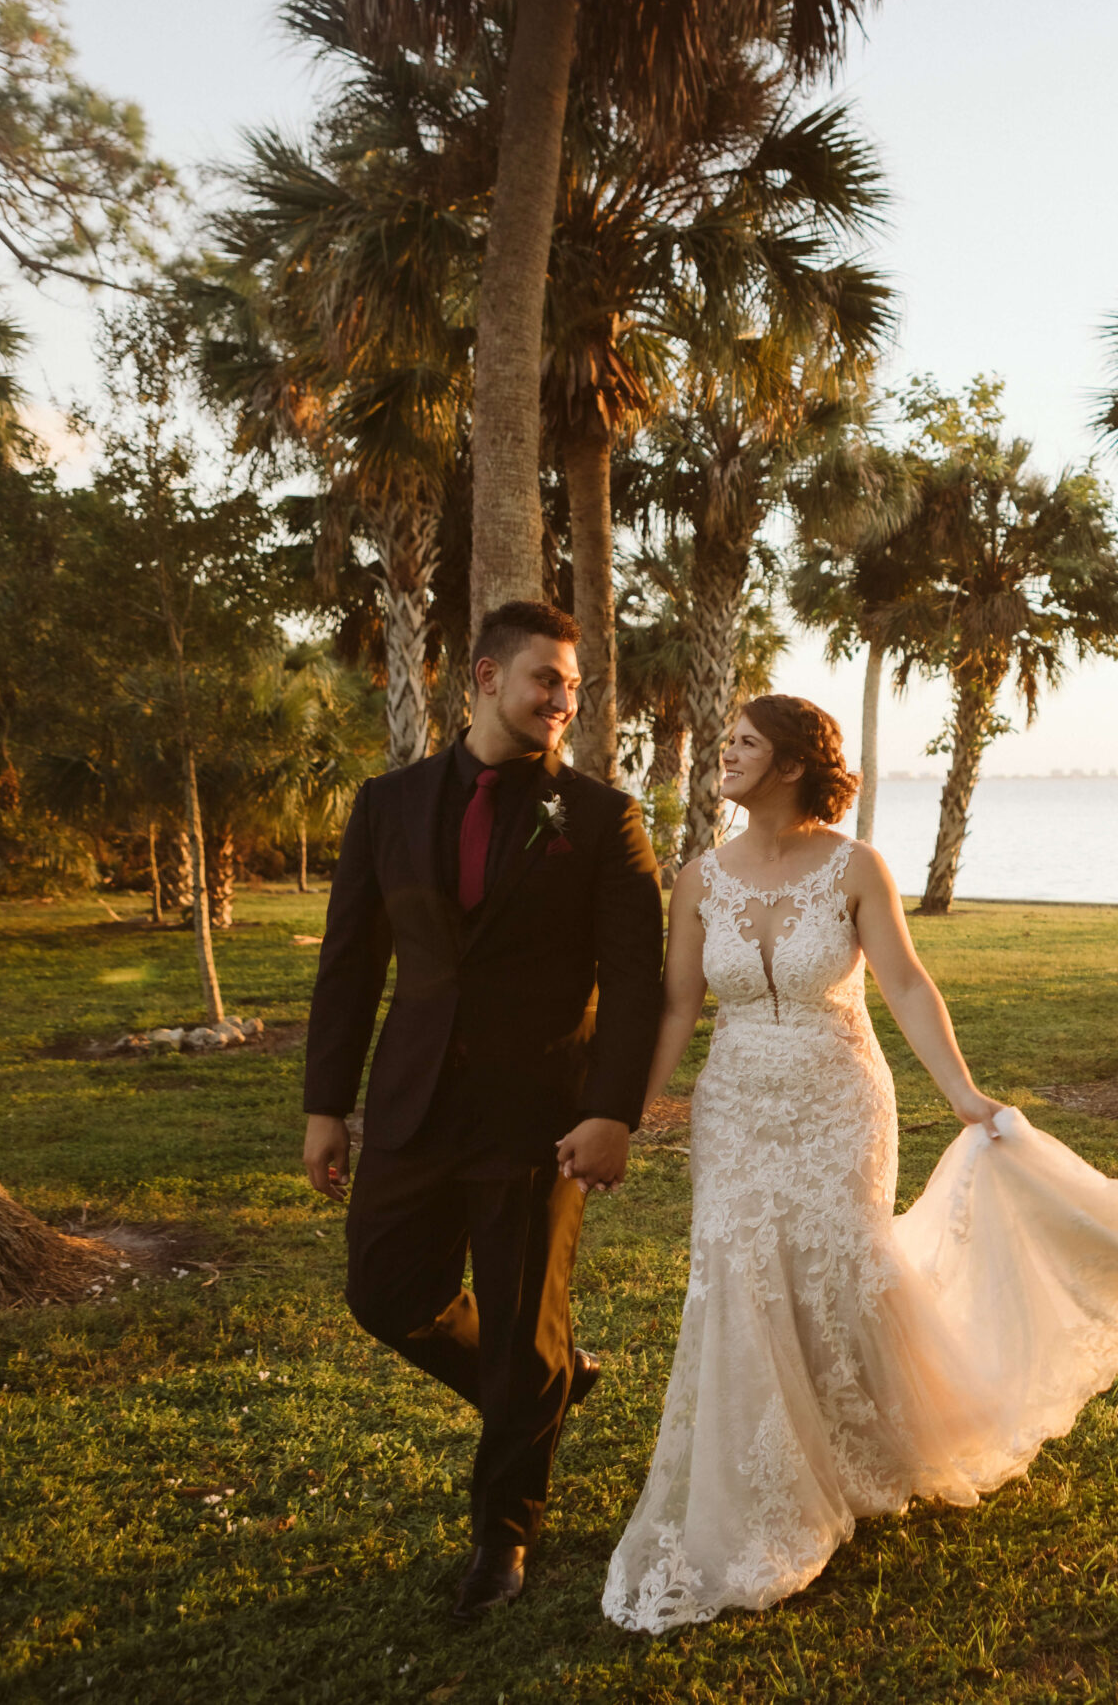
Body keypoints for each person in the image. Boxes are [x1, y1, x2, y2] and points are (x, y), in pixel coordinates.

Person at [603, 694, 1118, 1632]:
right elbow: (678, 1007)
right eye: (726, 742)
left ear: (794, 764)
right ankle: (772, 1475)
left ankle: (867, 1446)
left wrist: (965, 1097)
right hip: (735, 1105)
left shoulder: (857, 869)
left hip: (840, 1101)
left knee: (840, 1267)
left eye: (745, 743)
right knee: (742, 1276)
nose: (725, 755)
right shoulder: (698, 880)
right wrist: (629, 1112)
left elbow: (907, 985)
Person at [300, 600, 664, 1622]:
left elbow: (632, 981)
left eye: (573, 687)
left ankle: (504, 1530)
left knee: (520, 1323)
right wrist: (326, 1104)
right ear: (485, 677)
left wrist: (613, 1112)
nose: (562, 700)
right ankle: (541, 1384)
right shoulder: (387, 805)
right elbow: (349, 963)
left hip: (540, 1111)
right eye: (545, 679)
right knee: (384, 1292)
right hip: (411, 1098)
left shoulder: (600, 819)